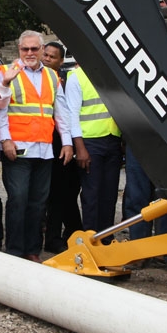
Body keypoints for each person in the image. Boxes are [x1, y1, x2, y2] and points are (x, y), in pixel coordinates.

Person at [0, 31, 72, 261]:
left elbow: (60, 112)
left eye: (34, 49)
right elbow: (0, 107)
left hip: (44, 149)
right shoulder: (7, 72)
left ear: (41, 50)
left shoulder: (51, 76)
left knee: (38, 203)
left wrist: (67, 142)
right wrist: (5, 139)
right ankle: (15, 250)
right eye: (25, 49)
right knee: (18, 199)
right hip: (17, 149)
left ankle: (32, 250)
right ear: (19, 49)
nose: (29, 53)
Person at [66, 64, 122, 232]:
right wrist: (80, 148)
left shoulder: (112, 74)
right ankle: (91, 237)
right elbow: (72, 115)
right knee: (92, 195)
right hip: (89, 142)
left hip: (113, 139)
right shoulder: (77, 77)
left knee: (109, 194)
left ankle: (106, 237)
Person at [41, 41, 82, 253]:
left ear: (61, 61)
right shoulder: (36, 78)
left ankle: (71, 232)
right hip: (41, 141)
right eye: (45, 55)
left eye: (52, 57)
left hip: (64, 143)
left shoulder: (66, 81)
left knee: (66, 191)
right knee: (49, 193)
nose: (47, 59)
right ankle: (55, 235)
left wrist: (71, 144)